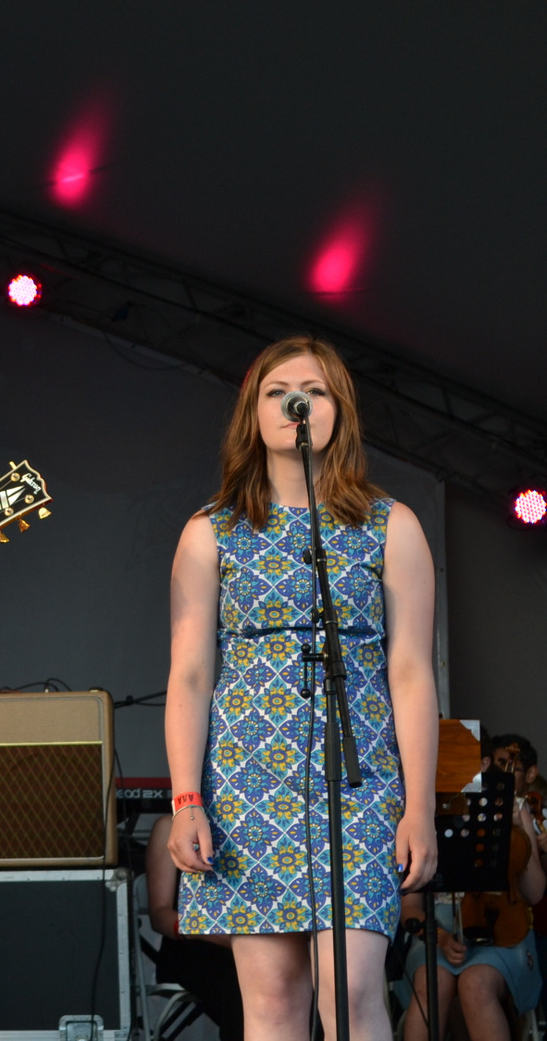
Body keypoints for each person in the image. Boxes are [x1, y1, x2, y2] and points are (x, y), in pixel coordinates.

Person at [163, 335, 440, 1041]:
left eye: (315, 391)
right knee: (272, 1000)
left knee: (351, 989)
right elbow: (190, 673)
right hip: (248, 784)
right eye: (278, 391)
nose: (297, 402)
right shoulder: (211, 532)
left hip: (359, 783)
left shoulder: (392, 526)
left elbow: (411, 671)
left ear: (338, 410)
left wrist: (419, 805)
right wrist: (187, 798)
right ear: (254, 414)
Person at [399, 734, 543, 1041]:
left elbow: (534, 894)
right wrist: (439, 937)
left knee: (475, 984)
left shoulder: (514, 807)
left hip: (501, 927)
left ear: (484, 764)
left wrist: (520, 832)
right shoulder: (422, 814)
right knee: (431, 984)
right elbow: (409, 908)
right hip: (435, 930)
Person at [145, 813, 245, 1041]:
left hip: (249, 941)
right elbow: (159, 915)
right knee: (241, 980)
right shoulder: (168, 825)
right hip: (195, 947)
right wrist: (214, 934)